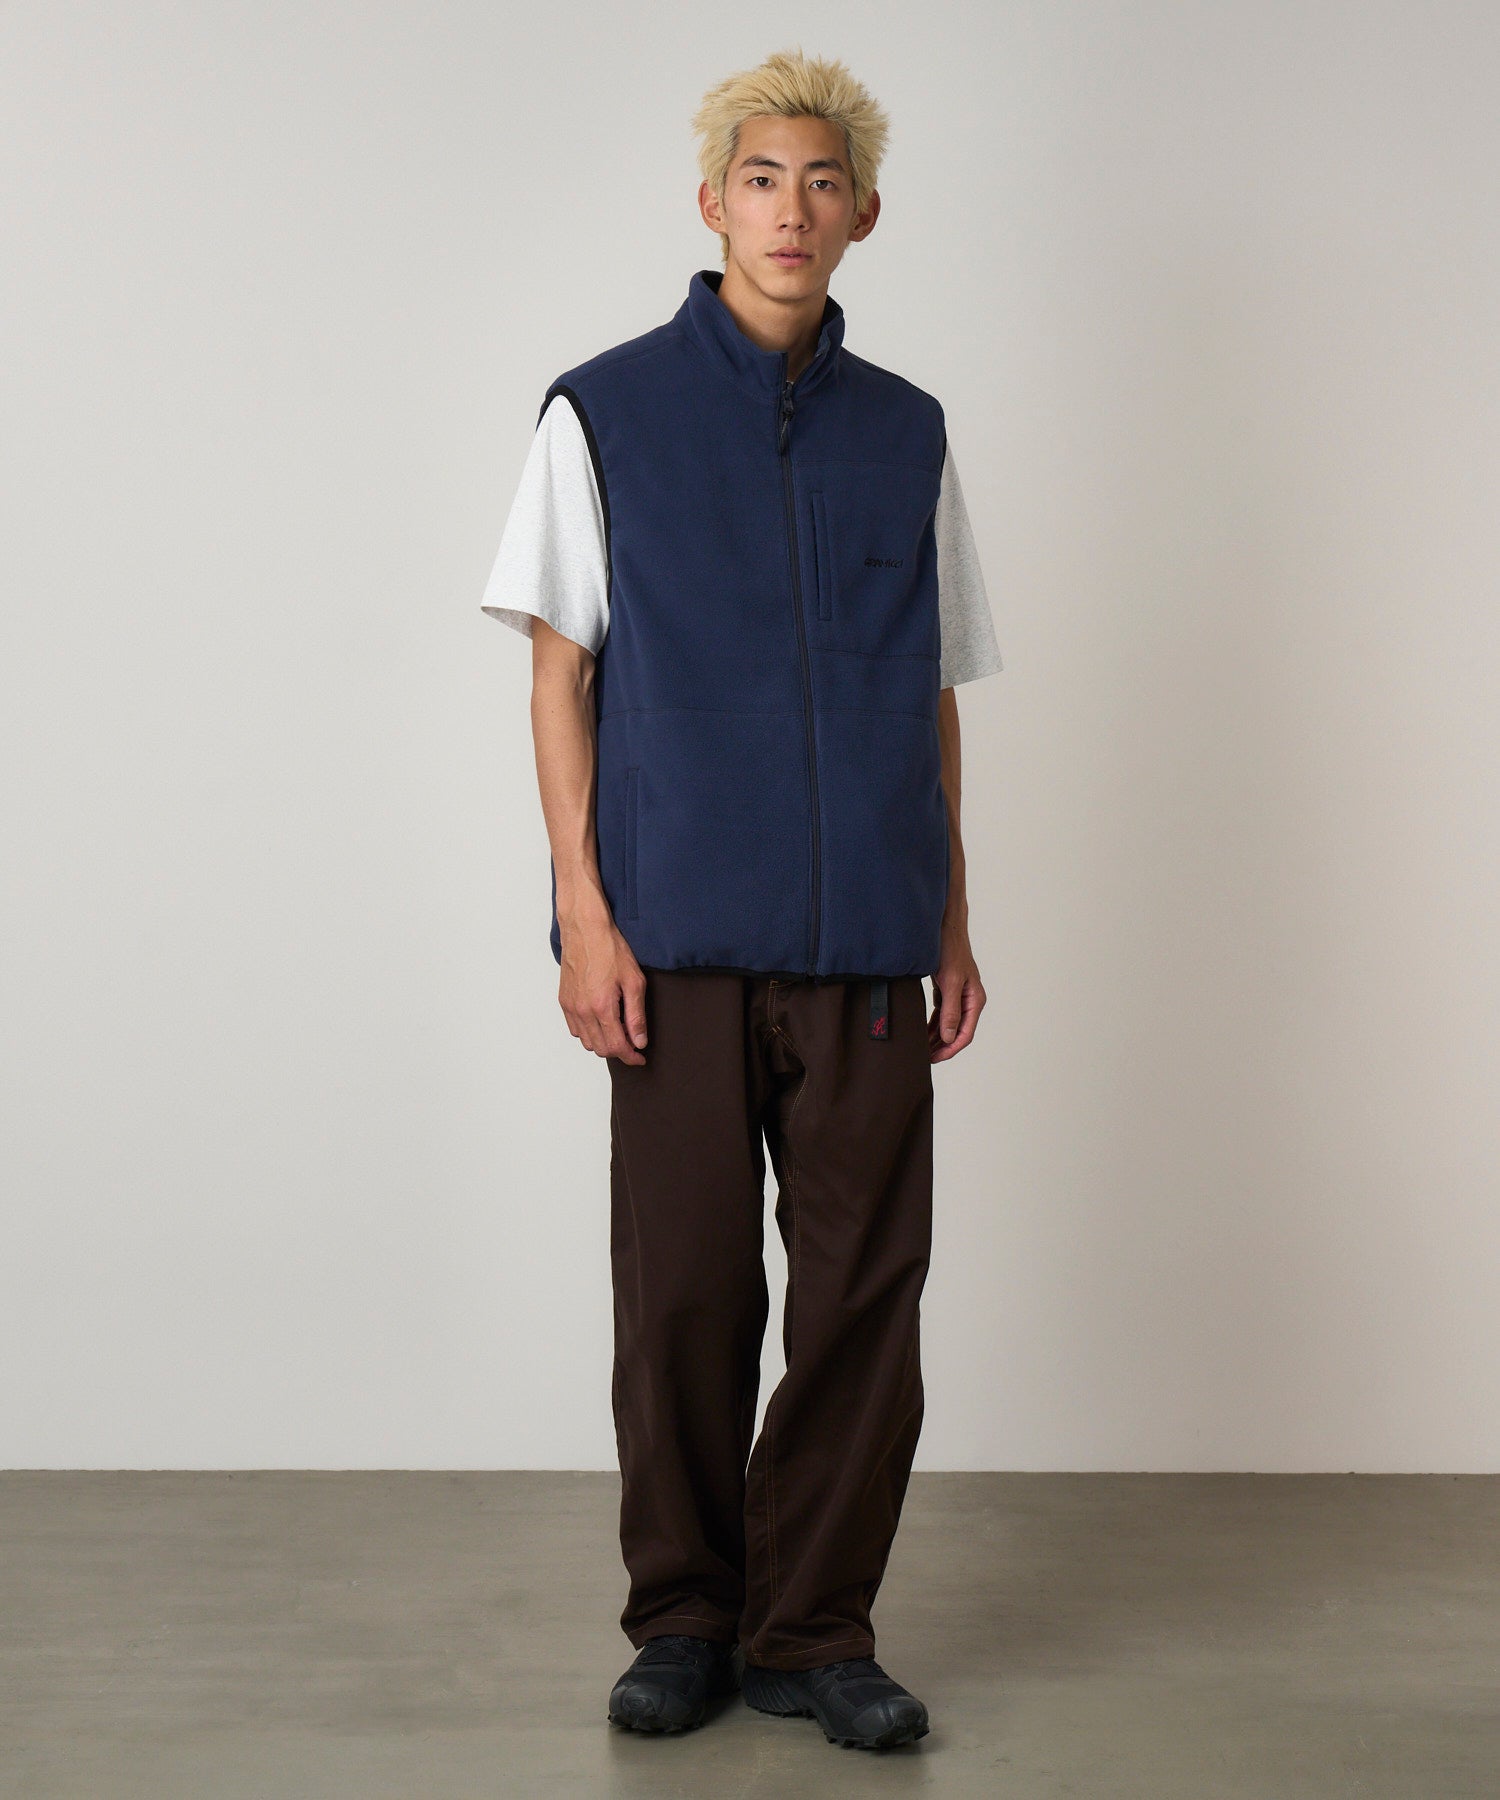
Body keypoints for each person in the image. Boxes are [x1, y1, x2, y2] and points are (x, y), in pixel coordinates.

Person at [480, 47, 1003, 1754]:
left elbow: (931, 692)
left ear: (865, 215)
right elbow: (559, 675)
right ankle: (688, 1619)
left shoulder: (908, 434)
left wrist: (950, 913)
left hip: (866, 948)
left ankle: (814, 1627)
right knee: (689, 1298)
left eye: (822, 183)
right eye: (763, 179)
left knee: (864, 1299)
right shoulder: (604, 412)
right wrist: (584, 915)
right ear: (713, 203)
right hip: (678, 939)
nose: (792, 209)